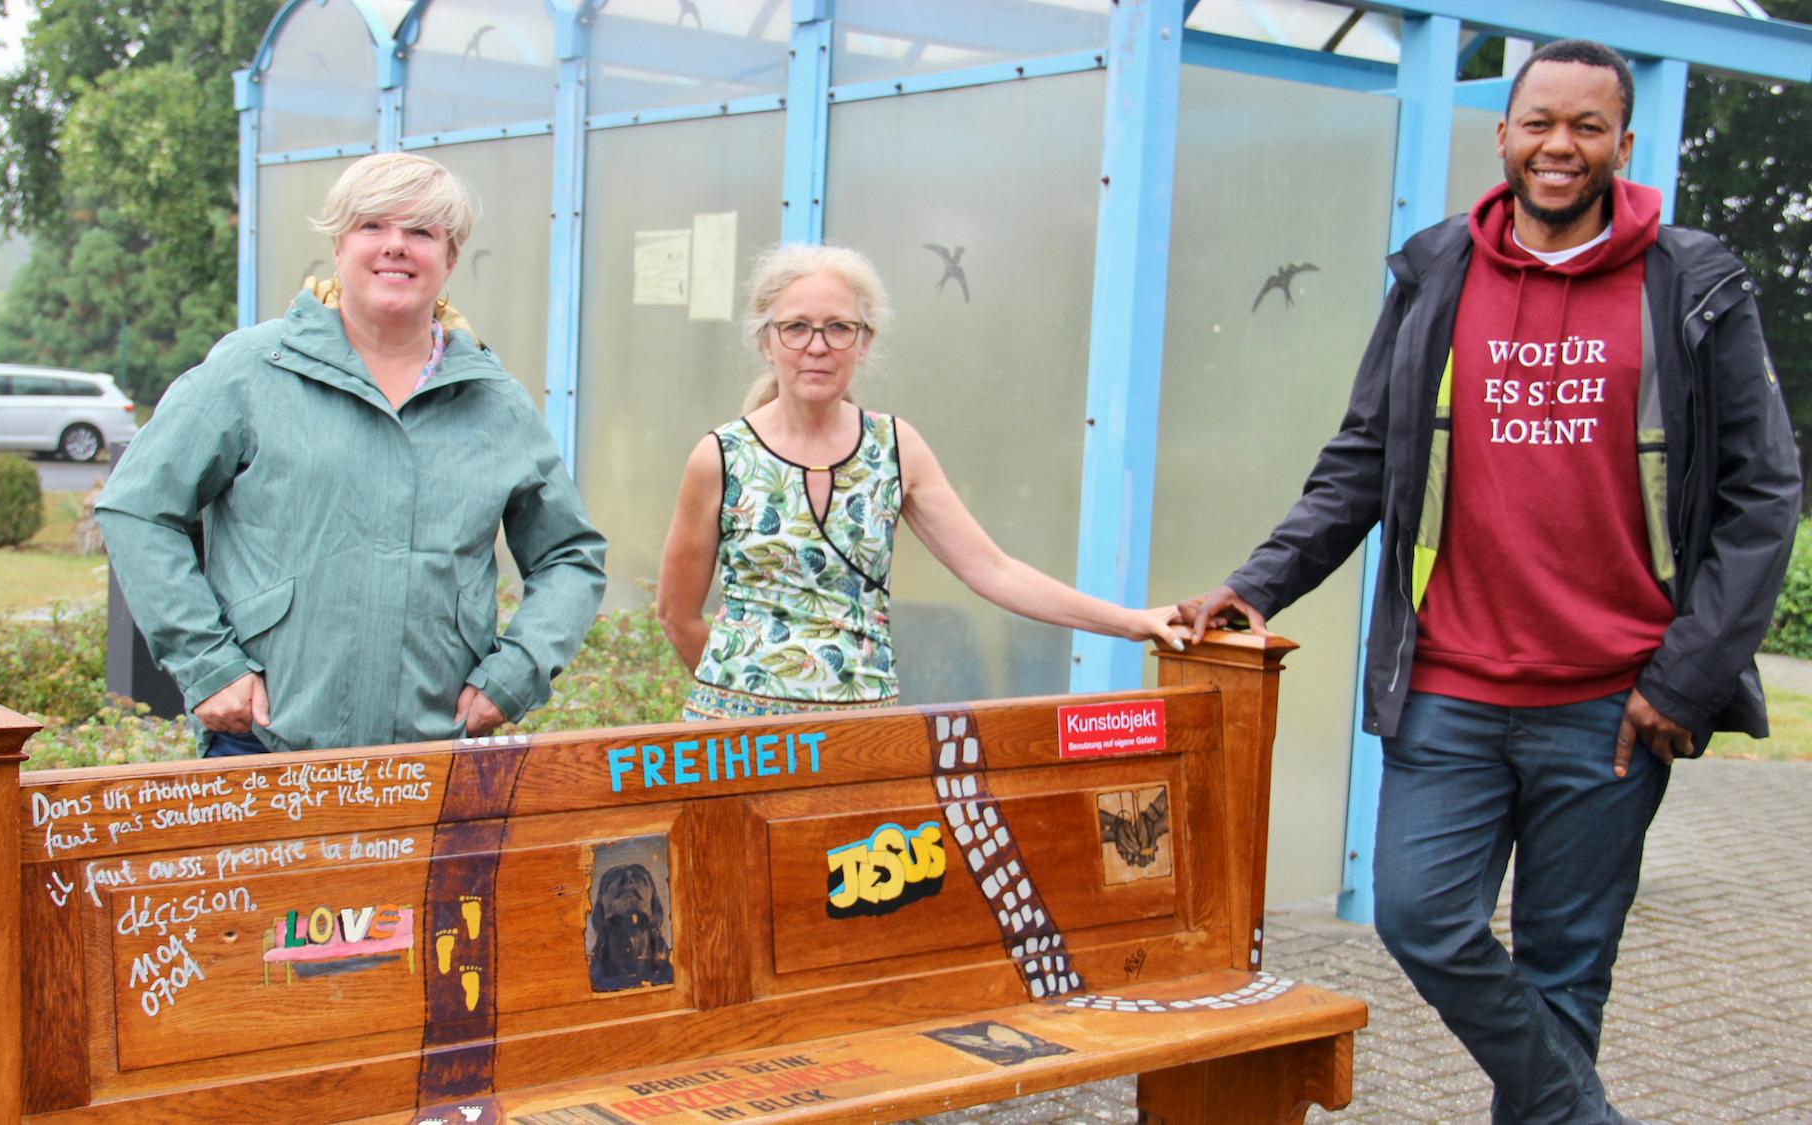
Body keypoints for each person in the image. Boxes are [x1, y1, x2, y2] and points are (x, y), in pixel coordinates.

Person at [1179, 40, 1798, 1125]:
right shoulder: (1434, 271)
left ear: (1620, 144)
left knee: (1566, 970)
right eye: (1539, 123)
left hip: (1612, 702)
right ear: (1502, 134)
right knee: (1421, 920)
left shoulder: (1689, 282)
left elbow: (1760, 495)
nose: (1559, 147)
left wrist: (1685, 679)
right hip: (1448, 689)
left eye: (1586, 128)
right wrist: (1260, 582)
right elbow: (1364, 456)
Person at [97, 153, 606, 755]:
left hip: (432, 749)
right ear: (339, 247)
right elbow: (137, 508)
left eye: (420, 231)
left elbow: (569, 556)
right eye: (372, 226)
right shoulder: (252, 369)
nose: (396, 246)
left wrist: (515, 675)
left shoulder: (493, 400)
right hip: (263, 741)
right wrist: (208, 664)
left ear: (449, 259)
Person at [657, 243, 1183, 722]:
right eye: (796, 327)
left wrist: (1131, 621)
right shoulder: (720, 457)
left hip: (861, 735)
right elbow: (677, 615)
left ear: (864, 344)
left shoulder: (895, 447)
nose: (817, 346)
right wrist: (750, 694)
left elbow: (994, 570)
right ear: (767, 341)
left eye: (839, 328)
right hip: (739, 744)